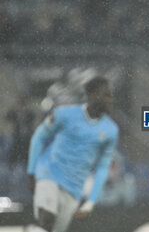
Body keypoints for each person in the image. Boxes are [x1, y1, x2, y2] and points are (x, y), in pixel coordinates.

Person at [26, 76, 119, 232]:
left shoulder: (111, 130)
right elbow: (39, 137)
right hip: (49, 174)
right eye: (107, 95)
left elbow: (103, 167)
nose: (111, 100)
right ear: (93, 95)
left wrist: (91, 201)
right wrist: (31, 172)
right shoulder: (64, 114)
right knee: (46, 220)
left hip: (74, 187)